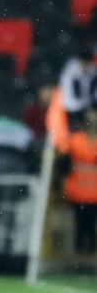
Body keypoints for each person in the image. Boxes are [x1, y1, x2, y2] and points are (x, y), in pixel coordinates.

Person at [63, 109, 97, 255]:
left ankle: (87, 253)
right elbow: (64, 164)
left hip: (89, 191)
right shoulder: (74, 140)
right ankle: (81, 254)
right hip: (79, 190)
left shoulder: (74, 140)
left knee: (88, 225)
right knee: (81, 224)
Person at [59, 48, 97, 128]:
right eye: (84, 63)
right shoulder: (70, 74)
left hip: (87, 107)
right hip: (72, 109)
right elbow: (70, 98)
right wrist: (86, 108)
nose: (86, 66)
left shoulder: (93, 72)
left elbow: (93, 93)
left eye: (88, 64)